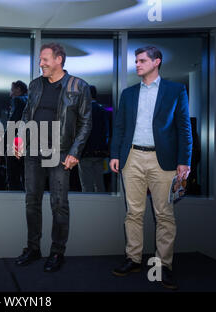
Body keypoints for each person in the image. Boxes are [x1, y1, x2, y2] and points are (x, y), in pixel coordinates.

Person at [109, 46, 192, 290]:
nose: (137, 64)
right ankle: (133, 259)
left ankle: (163, 266)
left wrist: (184, 160)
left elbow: (184, 127)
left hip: (163, 160)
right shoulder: (128, 93)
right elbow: (120, 126)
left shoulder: (176, 90)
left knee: (164, 214)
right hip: (132, 157)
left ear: (157, 62)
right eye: (136, 61)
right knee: (133, 213)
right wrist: (115, 154)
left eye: (142, 60)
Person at [14, 43, 92, 272]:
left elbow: (86, 123)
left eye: (45, 59)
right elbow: (27, 114)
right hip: (33, 151)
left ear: (59, 60)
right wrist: (19, 140)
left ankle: (57, 252)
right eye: (40, 60)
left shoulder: (78, 86)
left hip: (60, 153)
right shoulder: (35, 85)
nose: (41, 64)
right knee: (32, 202)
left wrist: (75, 152)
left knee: (59, 204)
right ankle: (33, 248)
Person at [78, 85, 109, 192]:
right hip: (100, 152)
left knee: (87, 185)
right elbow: (107, 131)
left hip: (85, 152)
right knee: (99, 183)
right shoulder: (103, 110)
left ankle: (88, 208)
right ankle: (102, 207)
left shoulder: (82, 111)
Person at [6, 81, 28, 190]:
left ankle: (13, 200)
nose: (11, 92)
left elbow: (13, 122)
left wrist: (5, 141)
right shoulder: (30, 101)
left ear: (18, 89)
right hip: (27, 142)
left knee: (13, 174)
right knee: (25, 174)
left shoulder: (18, 100)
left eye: (12, 89)